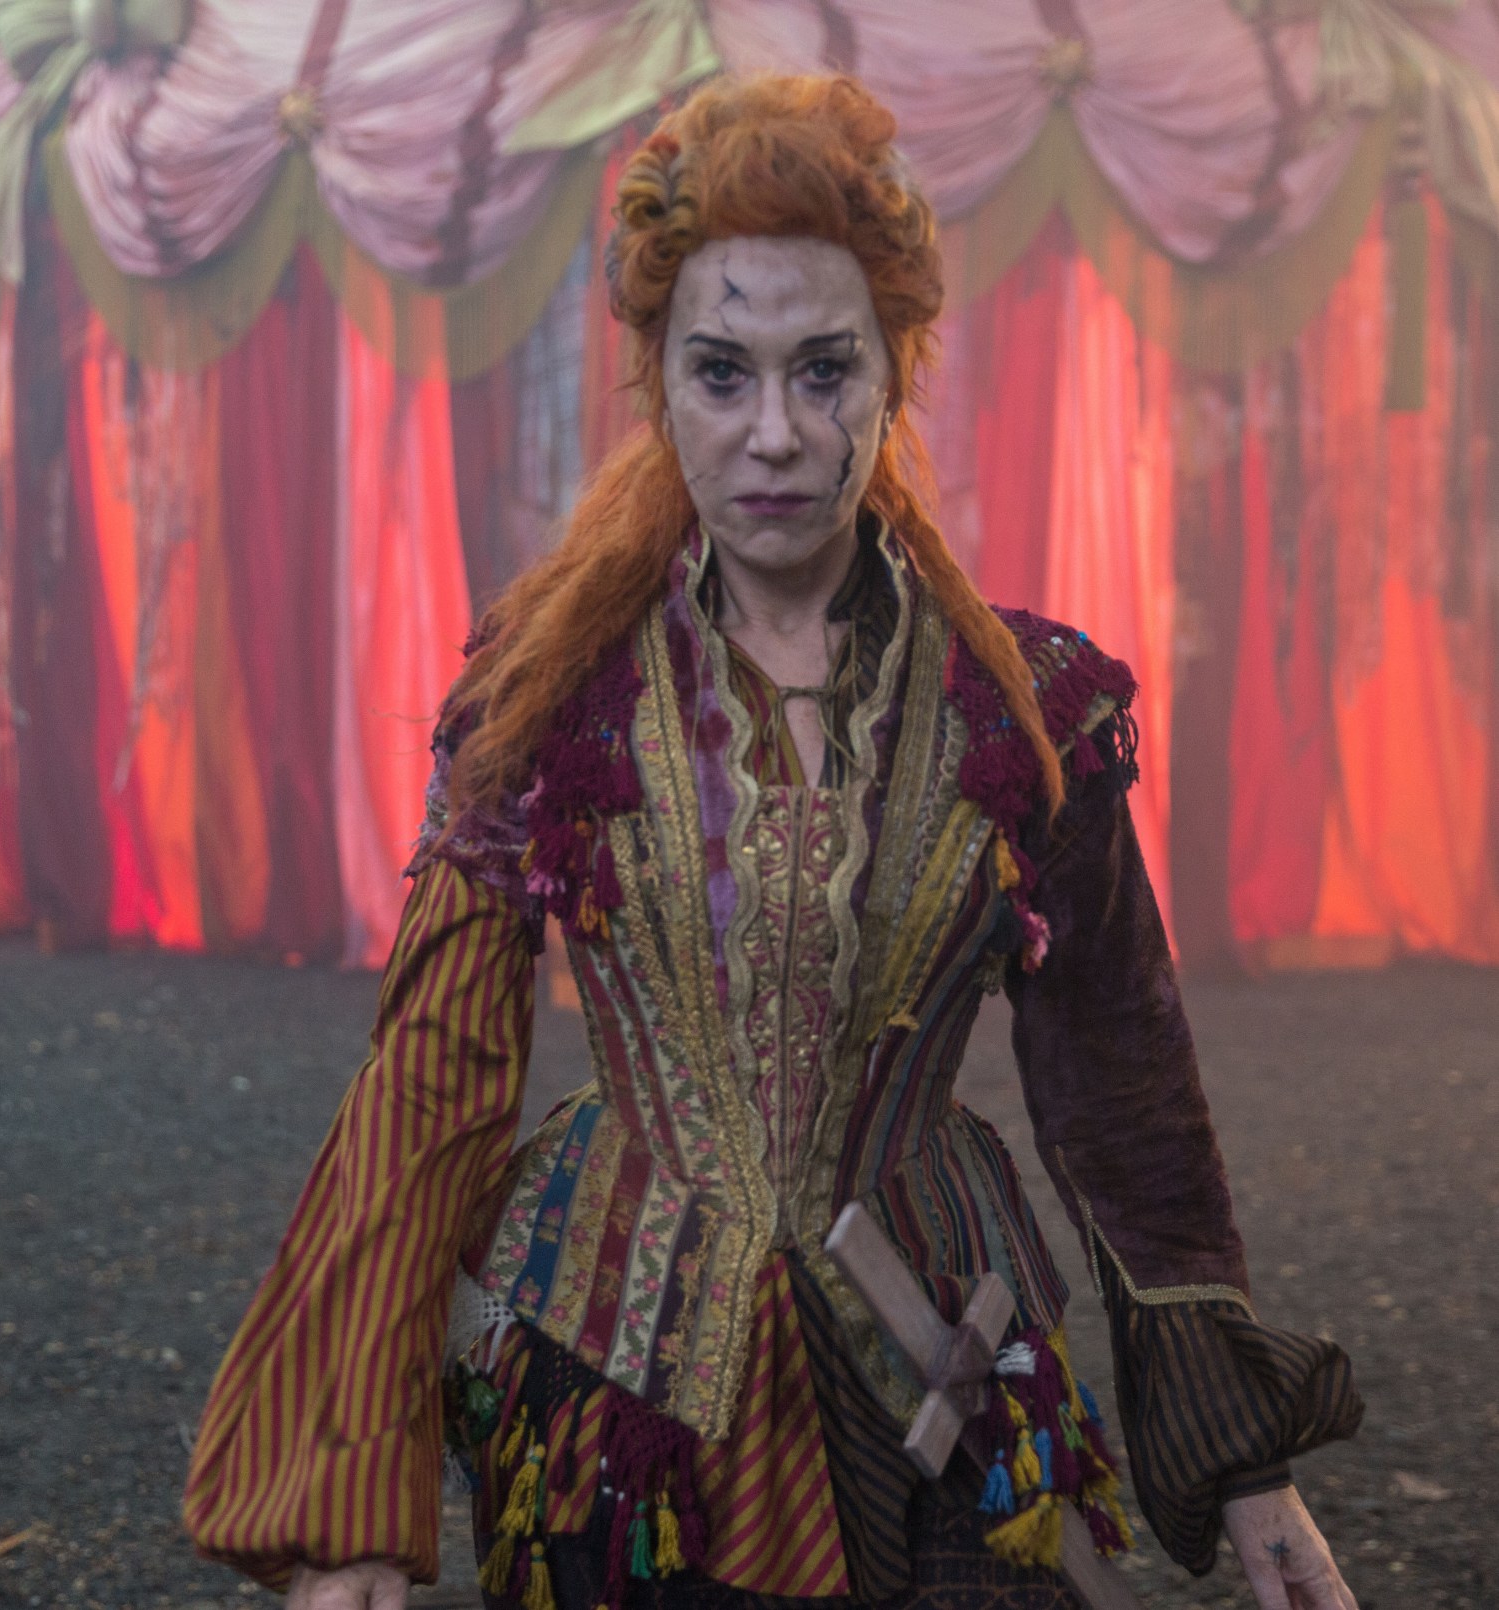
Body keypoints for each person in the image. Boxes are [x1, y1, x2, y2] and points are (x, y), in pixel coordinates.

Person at [184, 74, 1363, 1610]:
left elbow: (1125, 1090)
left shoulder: (1029, 711)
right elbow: (431, 1083)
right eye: (722, 372)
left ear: (895, 369)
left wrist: (1253, 1469)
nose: (778, 434)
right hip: (629, 1404)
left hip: (947, 1377)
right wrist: (349, 1503)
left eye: (825, 369)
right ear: (659, 381)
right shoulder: (545, 696)